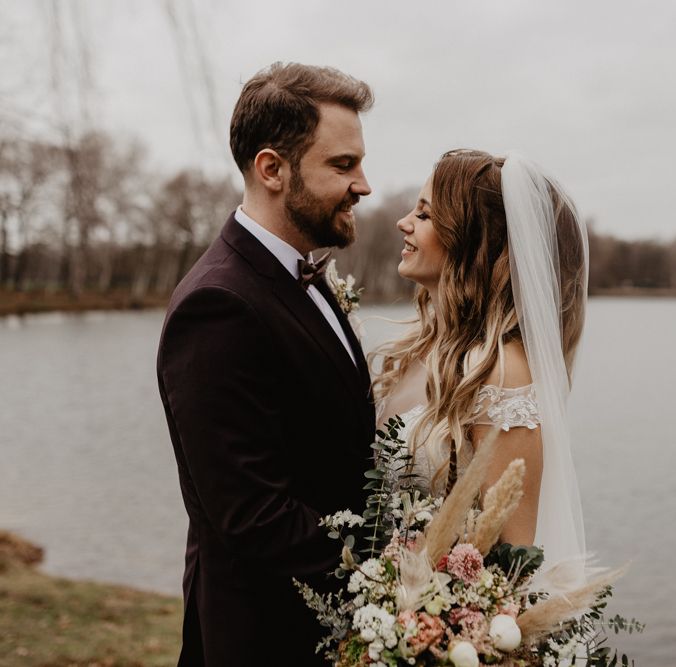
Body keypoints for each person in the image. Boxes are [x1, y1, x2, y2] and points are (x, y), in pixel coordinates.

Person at [157, 62, 376, 666]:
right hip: (265, 637)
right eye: (343, 165)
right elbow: (251, 513)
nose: (364, 184)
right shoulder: (219, 304)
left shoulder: (299, 272)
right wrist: (397, 564)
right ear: (272, 168)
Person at [372, 149, 588, 583]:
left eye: (426, 215)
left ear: (470, 240)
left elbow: (513, 567)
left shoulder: (501, 371)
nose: (404, 222)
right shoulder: (415, 349)